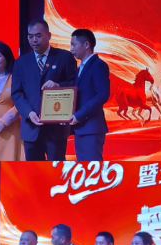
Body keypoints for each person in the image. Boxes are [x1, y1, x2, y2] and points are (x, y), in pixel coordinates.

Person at [12, 19, 77, 161]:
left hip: (56, 128)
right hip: (31, 127)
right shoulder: (21, 62)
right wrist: (29, 113)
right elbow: (17, 93)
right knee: (34, 170)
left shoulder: (64, 57)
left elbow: (75, 84)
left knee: (56, 169)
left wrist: (58, 85)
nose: (34, 40)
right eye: (30, 36)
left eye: (38, 35)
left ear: (49, 35)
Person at [69, 30, 110, 161]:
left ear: (86, 44)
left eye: (73, 44)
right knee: (83, 167)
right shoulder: (81, 67)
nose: (71, 49)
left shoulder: (98, 65)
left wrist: (79, 115)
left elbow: (102, 95)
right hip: (81, 128)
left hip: (91, 127)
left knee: (91, 168)